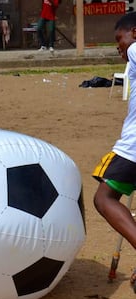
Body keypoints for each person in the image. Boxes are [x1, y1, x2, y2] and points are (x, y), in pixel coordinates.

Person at [92, 12, 136, 284]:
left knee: (104, 198)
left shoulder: (135, 49)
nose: (119, 45)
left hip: (133, 147)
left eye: (120, 38)